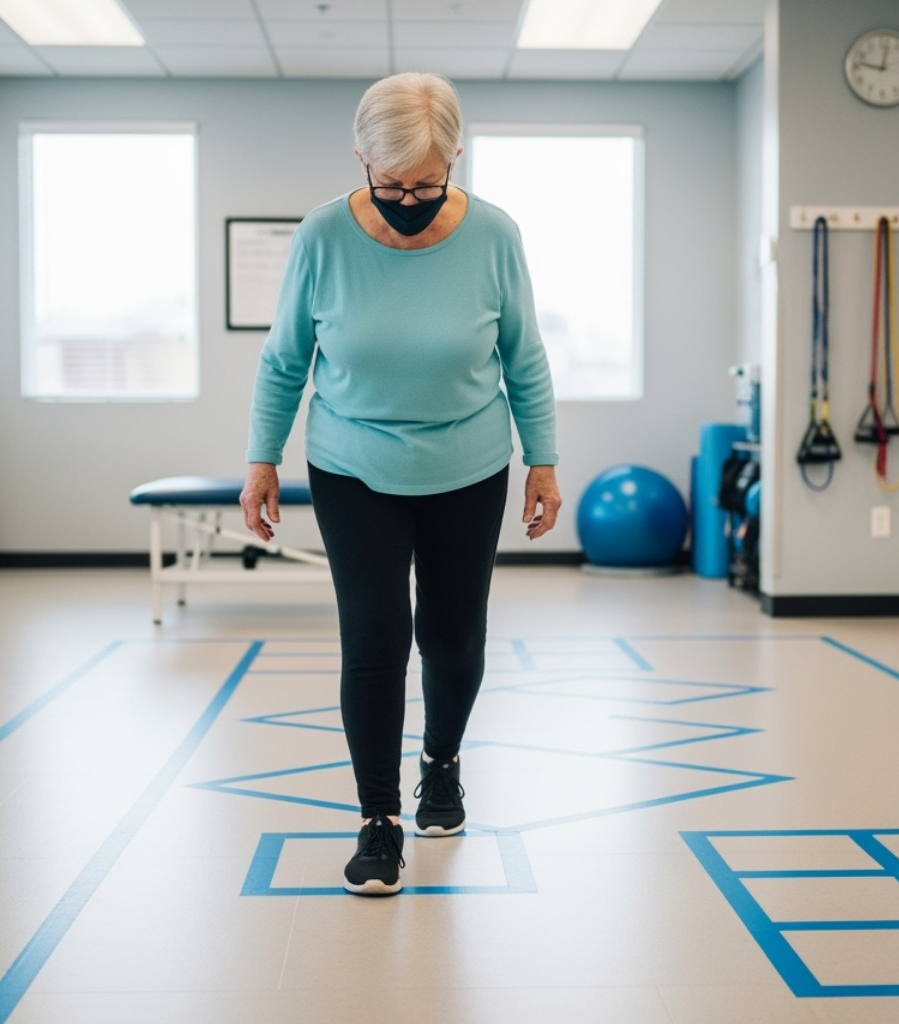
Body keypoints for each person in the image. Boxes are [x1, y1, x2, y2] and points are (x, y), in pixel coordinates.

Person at [239, 73, 561, 896]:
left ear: (456, 157)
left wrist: (544, 461)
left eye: (425, 182)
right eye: (390, 184)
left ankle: (441, 765)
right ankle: (378, 819)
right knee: (376, 637)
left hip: (470, 464)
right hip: (354, 466)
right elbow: (284, 362)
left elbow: (523, 357)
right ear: (361, 159)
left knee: (454, 639)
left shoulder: (494, 236)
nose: (407, 199)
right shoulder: (321, 238)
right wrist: (261, 458)